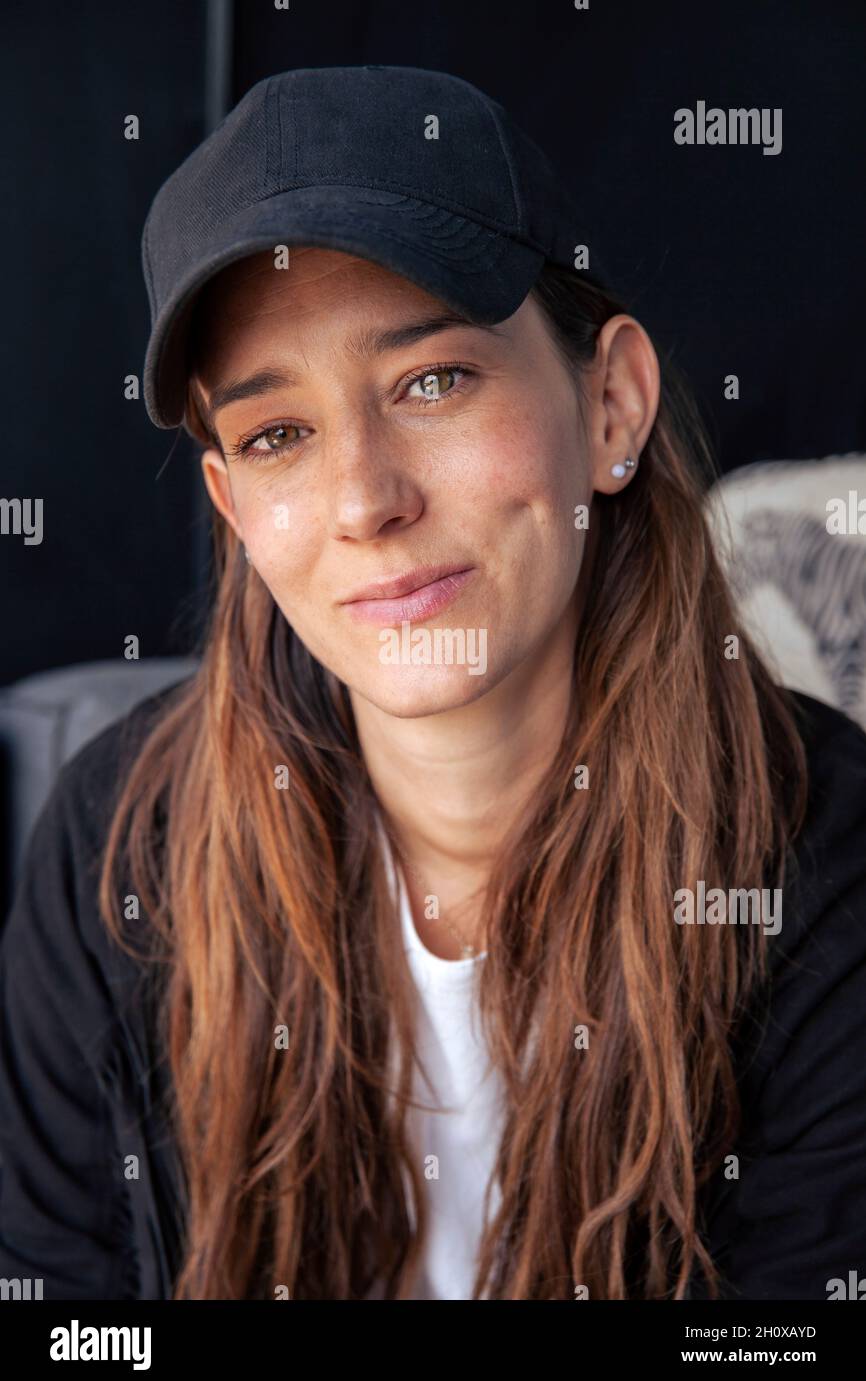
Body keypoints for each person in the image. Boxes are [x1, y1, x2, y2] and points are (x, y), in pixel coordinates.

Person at [1, 64, 866, 1302]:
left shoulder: (820, 871)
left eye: (432, 381)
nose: (365, 500)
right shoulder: (115, 842)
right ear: (232, 507)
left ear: (610, 401)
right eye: (275, 434)